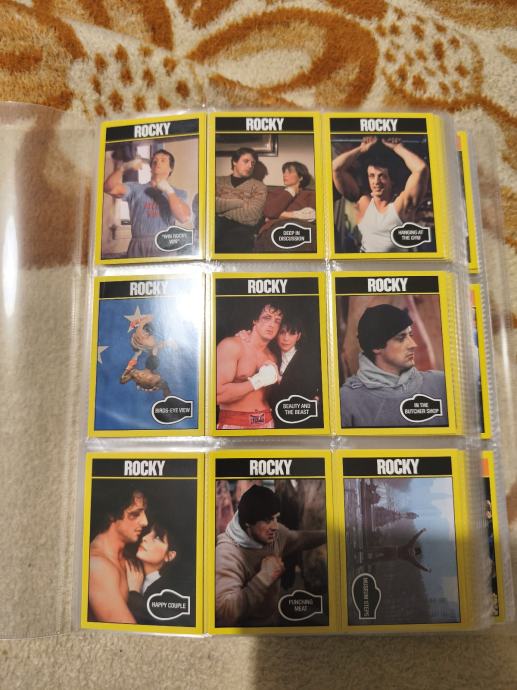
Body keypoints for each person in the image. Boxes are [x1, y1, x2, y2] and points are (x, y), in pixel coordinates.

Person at [215, 485, 326, 627]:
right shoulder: (227, 552)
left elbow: (299, 539)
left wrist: (329, 535)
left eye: (275, 518)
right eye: (267, 520)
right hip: (244, 631)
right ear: (248, 522)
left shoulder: (275, 535)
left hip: (273, 621)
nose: (275, 526)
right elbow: (224, 612)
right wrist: (264, 577)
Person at [340, 304, 448, 428]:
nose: (413, 345)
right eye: (401, 338)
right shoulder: (348, 399)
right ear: (377, 345)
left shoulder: (441, 384)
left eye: (410, 335)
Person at [332, 136, 429, 253]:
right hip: (367, 262)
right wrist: (361, 149)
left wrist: (398, 148)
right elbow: (336, 168)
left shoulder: (400, 205)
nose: (376, 182)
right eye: (372, 176)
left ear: (391, 180)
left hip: (397, 264)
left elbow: (421, 168)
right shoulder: (364, 203)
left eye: (382, 176)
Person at [104, 148, 191, 258]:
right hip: (138, 247)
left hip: (164, 246)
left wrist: (169, 191)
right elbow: (108, 188)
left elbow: (183, 217)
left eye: (163, 160)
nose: (157, 162)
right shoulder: (135, 188)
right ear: (151, 167)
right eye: (155, 160)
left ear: (171, 168)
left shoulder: (178, 193)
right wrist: (123, 168)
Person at [216, 302, 283, 430]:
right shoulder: (232, 346)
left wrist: (278, 379)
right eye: (267, 318)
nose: (272, 324)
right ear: (255, 320)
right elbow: (218, 396)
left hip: (267, 422)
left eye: (277, 321)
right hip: (234, 423)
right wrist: (259, 380)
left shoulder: (273, 357)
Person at [88, 484, 148, 624]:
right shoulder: (98, 566)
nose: (145, 522)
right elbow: (128, 633)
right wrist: (134, 595)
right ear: (111, 515)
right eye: (135, 514)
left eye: (144, 513)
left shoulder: (129, 557)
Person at [267, 316, 321, 428]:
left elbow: (306, 393)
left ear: (298, 336)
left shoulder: (308, 360)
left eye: (292, 333)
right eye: (282, 332)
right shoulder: (271, 356)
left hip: (300, 422)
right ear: (276, 334)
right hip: (275, 422)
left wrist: (279, 378)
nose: (286, 338)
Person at [125, 518, 178, 625]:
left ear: (170, 555)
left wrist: (134, 592)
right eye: (149, 533)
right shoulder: (128, 568)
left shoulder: (165, 593)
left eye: (157, 538)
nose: (144, 538)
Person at [215, 147, 267, 253]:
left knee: (236, 239)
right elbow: (203, 204)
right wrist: (239, 203)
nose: (250, 166)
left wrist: (220, 209)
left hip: (242, 228)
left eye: (252, 163)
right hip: (216, 223)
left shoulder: (259, 187)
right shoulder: (217, 181)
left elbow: (253, 215)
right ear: (234, 162)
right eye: (246, 161)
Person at [255, 161, 316, 251]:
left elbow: (313, 215)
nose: (285, 175)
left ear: (300, 177)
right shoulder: (274, 193)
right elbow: (269, 212)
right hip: (275, 229)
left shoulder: (311, 195)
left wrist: (279, 215)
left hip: (302, 230)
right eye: (284, 172)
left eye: (289, 172)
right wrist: (290, 191)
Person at [363, 528, 431, 573]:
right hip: (394, 556)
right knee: (378, 559)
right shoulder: (412, 558)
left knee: (377, 550)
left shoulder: (411, 545)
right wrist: (426, 570)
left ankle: (361, 550)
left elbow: (415, 537)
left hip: (394, 549)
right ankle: (362, 563)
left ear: (415, 548)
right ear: (416, 554)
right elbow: (418, 565)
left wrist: (422, 531)